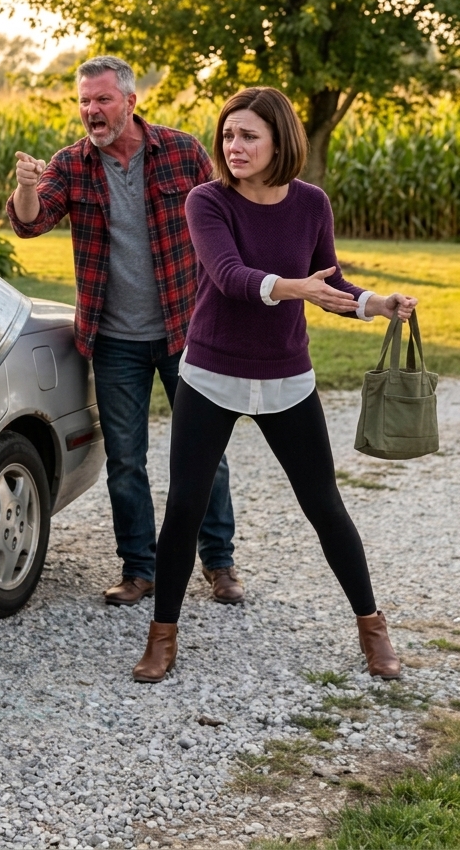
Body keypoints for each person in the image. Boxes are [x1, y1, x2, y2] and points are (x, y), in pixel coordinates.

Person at [132, 86, 412, 683]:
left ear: (279, 140)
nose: (234, 146)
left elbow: (329, 280)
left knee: (325, 507)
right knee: (184, 506)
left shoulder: (311, 203)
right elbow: (231, 277)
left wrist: (376, 304)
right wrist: (296, 287)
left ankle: (372, 627)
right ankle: (163, 636)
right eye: (229, 135)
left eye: (249, 135)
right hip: (210, 374)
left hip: (287, 377)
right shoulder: (207, 201)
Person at [6, 56, 242, 608]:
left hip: (189, 332)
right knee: (126, 461)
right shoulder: (69, 165)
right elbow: (29, 222)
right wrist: (24, 187)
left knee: (206, 453)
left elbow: (228, 219)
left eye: (102, 99)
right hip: (113, 342)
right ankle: (140, 569)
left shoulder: (183, 152)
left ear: (131, 101)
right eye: (84, 101)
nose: (92, 111)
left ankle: (220, 564)